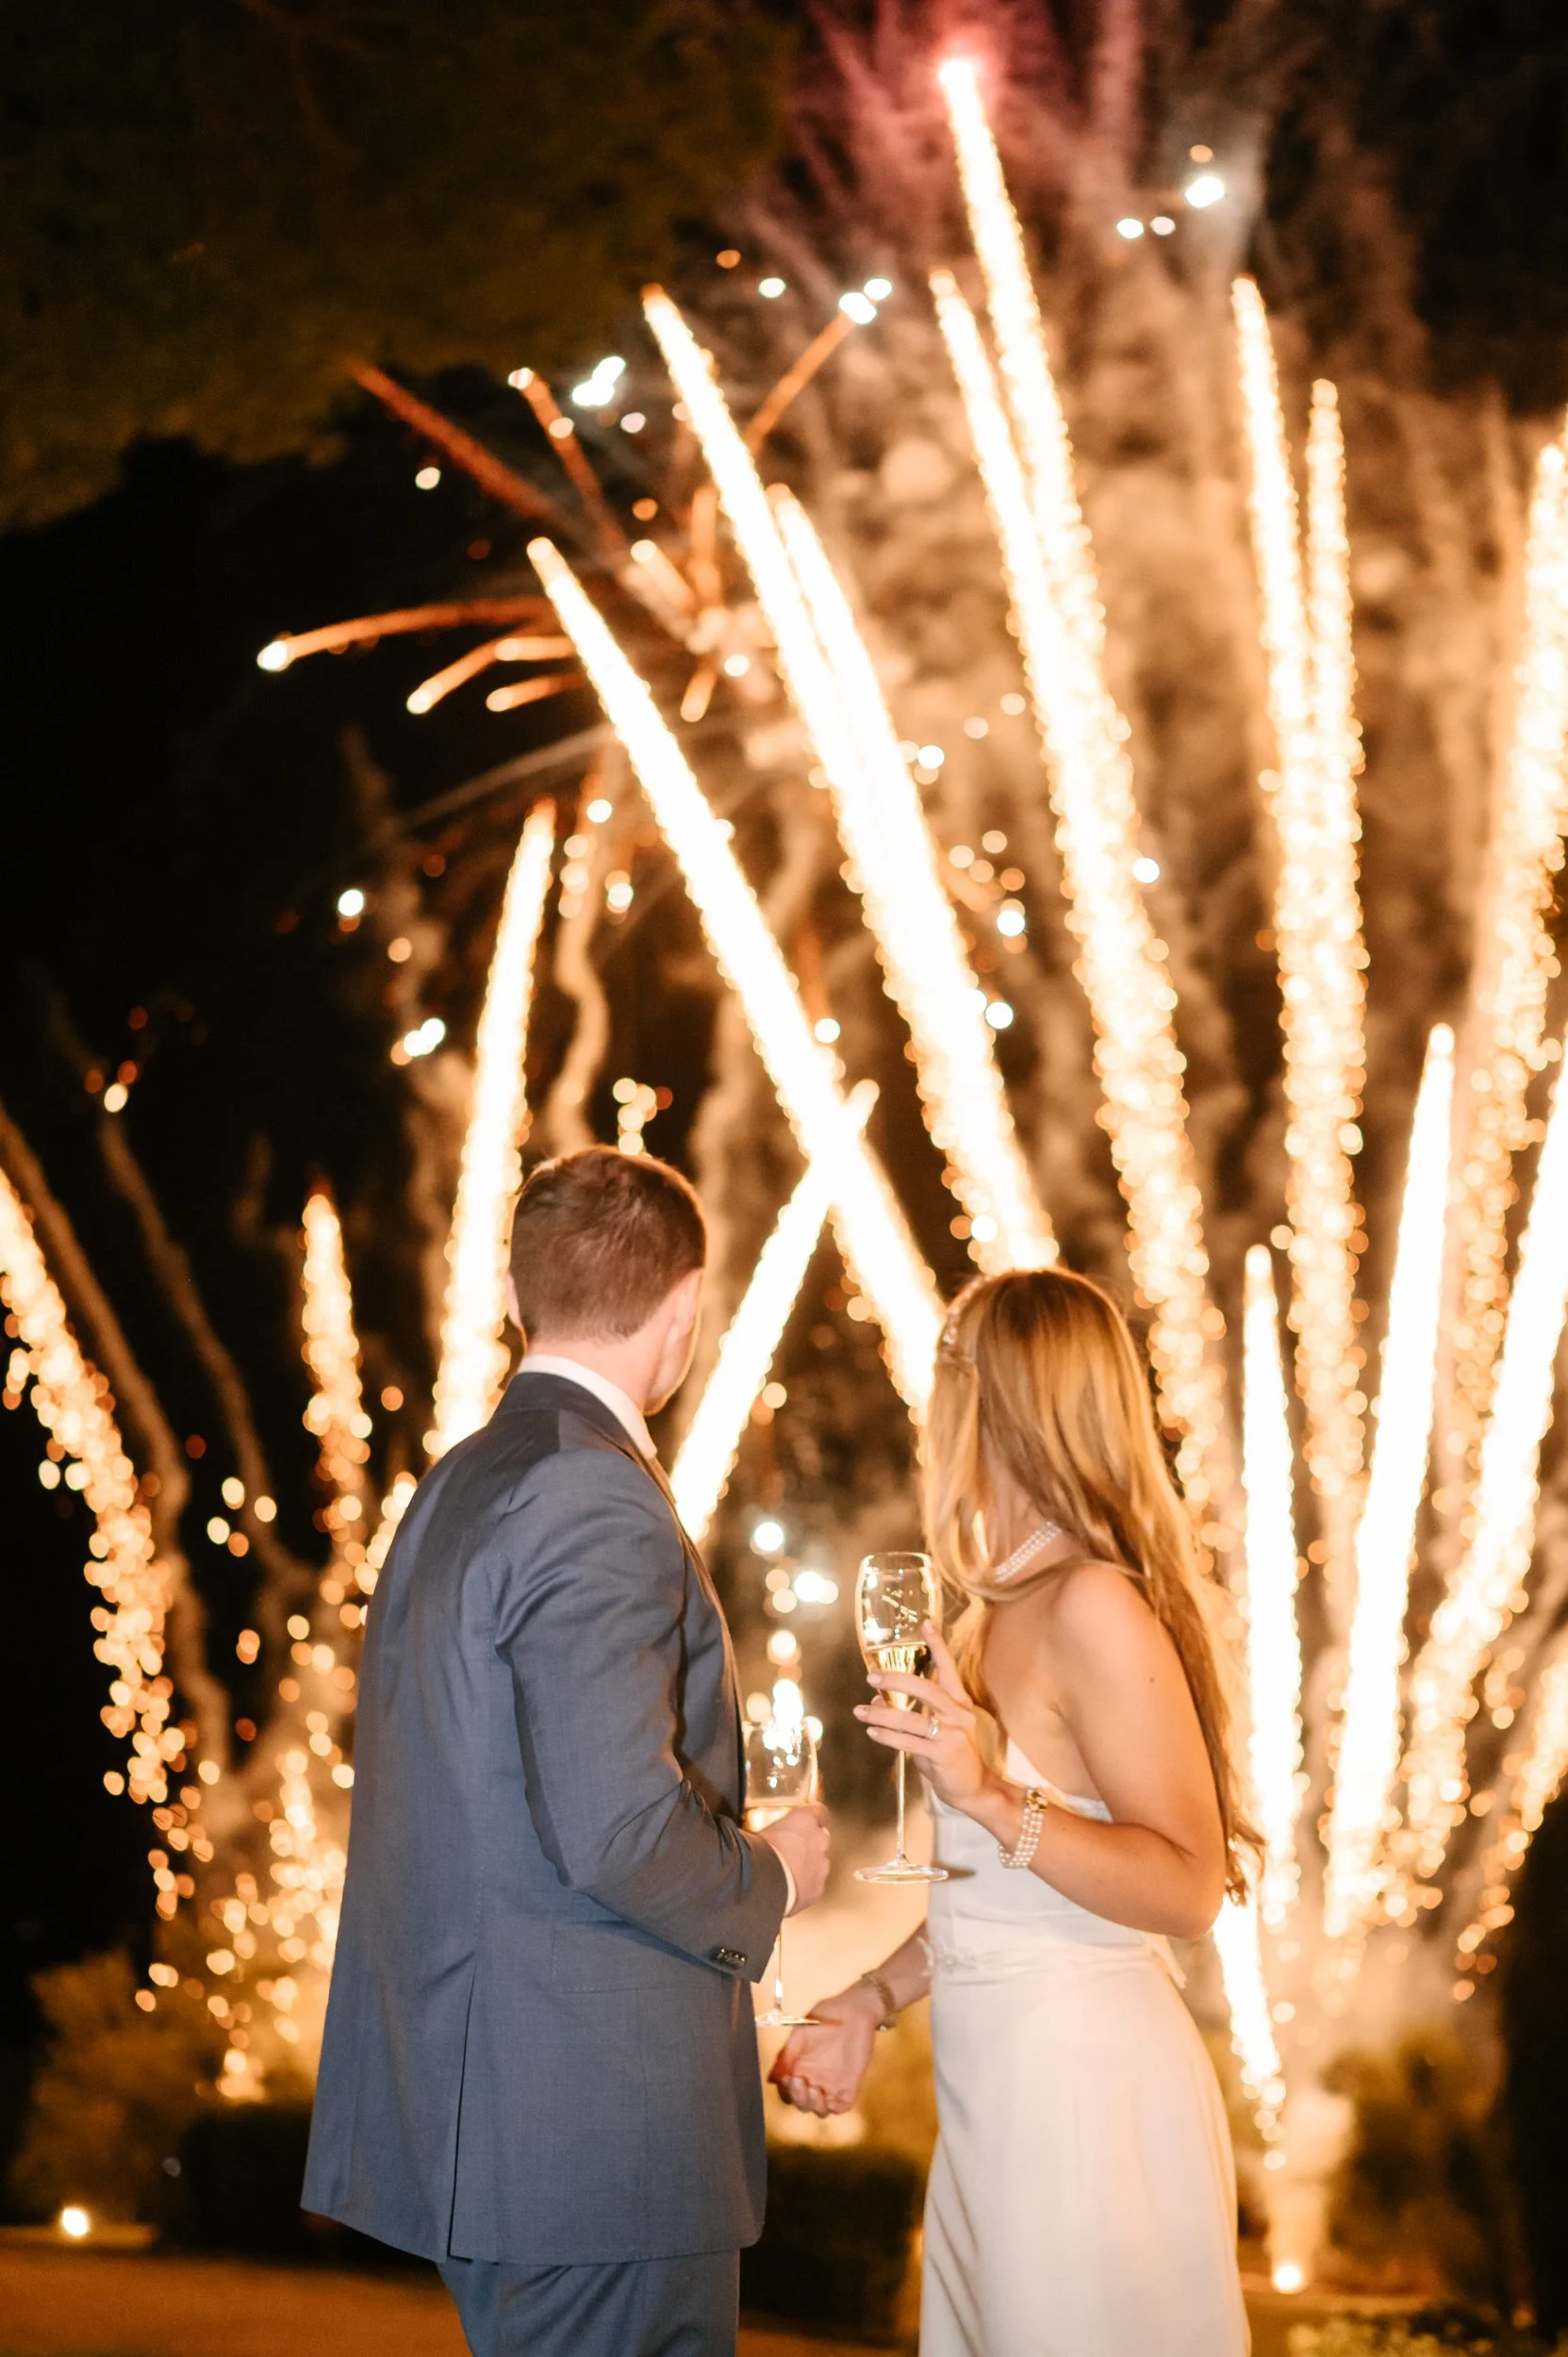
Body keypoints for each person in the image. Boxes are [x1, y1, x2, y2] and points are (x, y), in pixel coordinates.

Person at [304, 1146, 830, 2357]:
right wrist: (778, 1873)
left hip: (496, 2116)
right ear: (685, 1305)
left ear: (513, 1293)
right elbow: (614, 1828)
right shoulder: (589, 1494)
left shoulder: (463, 1481)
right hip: (593, 2139)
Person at [773, 1267, 1254, 2357]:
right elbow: (1000, 1898)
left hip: (1082, 2097)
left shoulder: (1090, 1601)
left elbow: (1185, 1884)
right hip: (996, 2098)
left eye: (950, 1369)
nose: (931, 1401)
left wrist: (990, 1794)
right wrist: (869, 1997)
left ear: (1008, 1400)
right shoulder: (998, 1609)